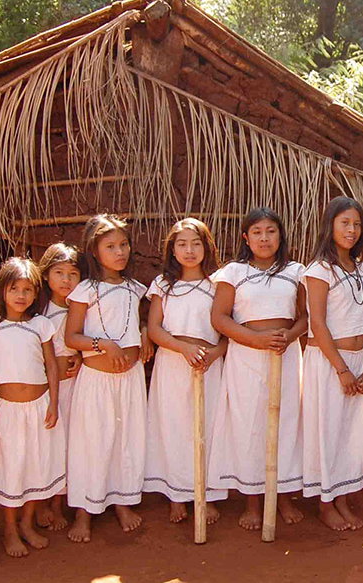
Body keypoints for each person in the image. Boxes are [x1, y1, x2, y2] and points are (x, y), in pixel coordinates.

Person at [209, 208, 307, 529]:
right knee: (249, 424)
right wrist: (254, 339)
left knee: (285, 423)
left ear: (281, 236)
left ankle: (282, 497)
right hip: (246, 358)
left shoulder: (296, 272)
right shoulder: (233, 273)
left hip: (285, 354)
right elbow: (220, 318)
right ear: (246, 238)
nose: (265, 238)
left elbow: (305, 316)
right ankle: (252, 500)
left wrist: (288, 336)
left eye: (271, 231)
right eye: (257, 232)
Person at [64, 214, 153, 542]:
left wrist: (144, 332)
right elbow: (72, 336)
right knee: (93, 444)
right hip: (97, 382)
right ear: (94, 251)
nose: (120, 252)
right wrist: (105, 344)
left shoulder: (134, 288)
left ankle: (123, 501)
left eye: (124, 244)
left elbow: (139, 320)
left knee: (125, 440)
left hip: (128, 382)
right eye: (111, 246)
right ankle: (84, 511)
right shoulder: (85, 290)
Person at [0, 258, 65, 558]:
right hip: (6, 410)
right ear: (2, 290)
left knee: (35, 465)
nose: (21, 296)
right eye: (14, 288)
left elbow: (51, 365)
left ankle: (28, 523)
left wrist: (53, 402)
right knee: (11, 468)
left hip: (38, 408)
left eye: (28, 289)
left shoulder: (40, 324)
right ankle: (11, 529)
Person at [301, 196, 363, 531]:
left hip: (358, 360)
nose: (351, 230)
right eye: (345, 223)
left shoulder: (362, 269)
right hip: (328, 362)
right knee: (328, 431)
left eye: (357, 224)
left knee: (351, 433)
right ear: (330, 225)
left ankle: (344, 498)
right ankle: (326, 503)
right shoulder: (319, 269)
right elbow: (317, 322)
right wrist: (342, 370)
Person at [144, 218, 228, 524]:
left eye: (196, 243)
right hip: (173, 364)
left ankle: (205, 493)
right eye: (182, 244)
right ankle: (177, 495)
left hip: (209, 366)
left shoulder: (219, 283)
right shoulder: (164, 285)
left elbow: (227, 331)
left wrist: (214, 354)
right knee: (175, 428)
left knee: (207, 428)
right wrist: (184, 349)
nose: (189, 250)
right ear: (172, 249)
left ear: (206, 247)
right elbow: (154, 328)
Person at [37, 243, 82, 531]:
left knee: (70, 444)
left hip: (77, 387)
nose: (66, 280)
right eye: (59, 273)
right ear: (45, 275)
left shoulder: (82, 306)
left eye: (73, 274)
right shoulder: (39, 311)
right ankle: (43, 501)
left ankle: (59, 503)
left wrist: (78, 355)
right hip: (48, 390)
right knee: (48, 444)